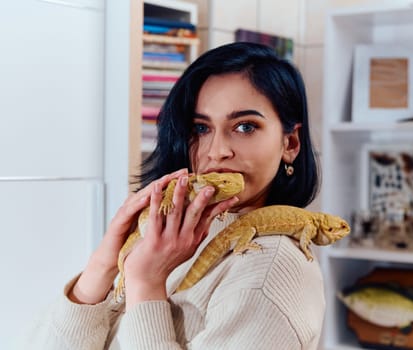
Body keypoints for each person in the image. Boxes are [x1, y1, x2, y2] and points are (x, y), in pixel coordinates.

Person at [23, 42, 324, 349]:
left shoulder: (269, 271)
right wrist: (102, 267)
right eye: (200, 128)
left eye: (245, 127)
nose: (217, 152)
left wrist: (146, 285)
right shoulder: (171, 239)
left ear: (290, 144)